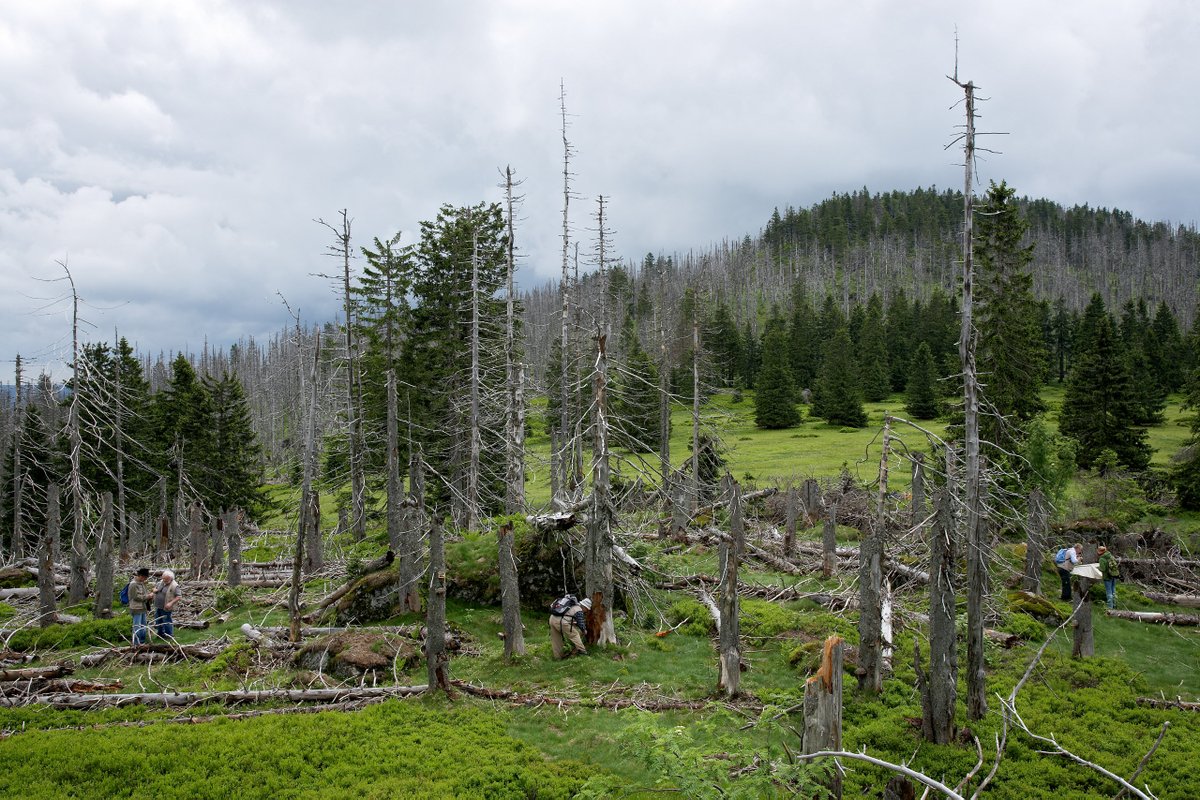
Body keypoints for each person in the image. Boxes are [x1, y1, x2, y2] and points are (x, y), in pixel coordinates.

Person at [153, 569, 182, 638]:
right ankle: (160, 634)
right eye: (163, 578)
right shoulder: (161, 582)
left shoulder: (175, 586)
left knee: (167, 621)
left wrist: (171, 603)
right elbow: (155, 588)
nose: (164, 580)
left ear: (171, 578)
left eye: (166, 579)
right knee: (158, 620)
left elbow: (179, 597)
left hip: (166, 606)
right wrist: (154, 590)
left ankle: (169, 635)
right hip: (158, 605)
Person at [129, 567, 152, 645]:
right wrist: (147, 597)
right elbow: (135, 597)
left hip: (143, 607)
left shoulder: (142, 583)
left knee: (143, 625)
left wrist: (148, 596)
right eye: (145, 577)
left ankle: (142, 641)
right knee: (137, 626)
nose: (145, 579)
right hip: (136, 608)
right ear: (141, 576)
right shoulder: (133, 584)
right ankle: (136, 642)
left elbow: (143, 594)